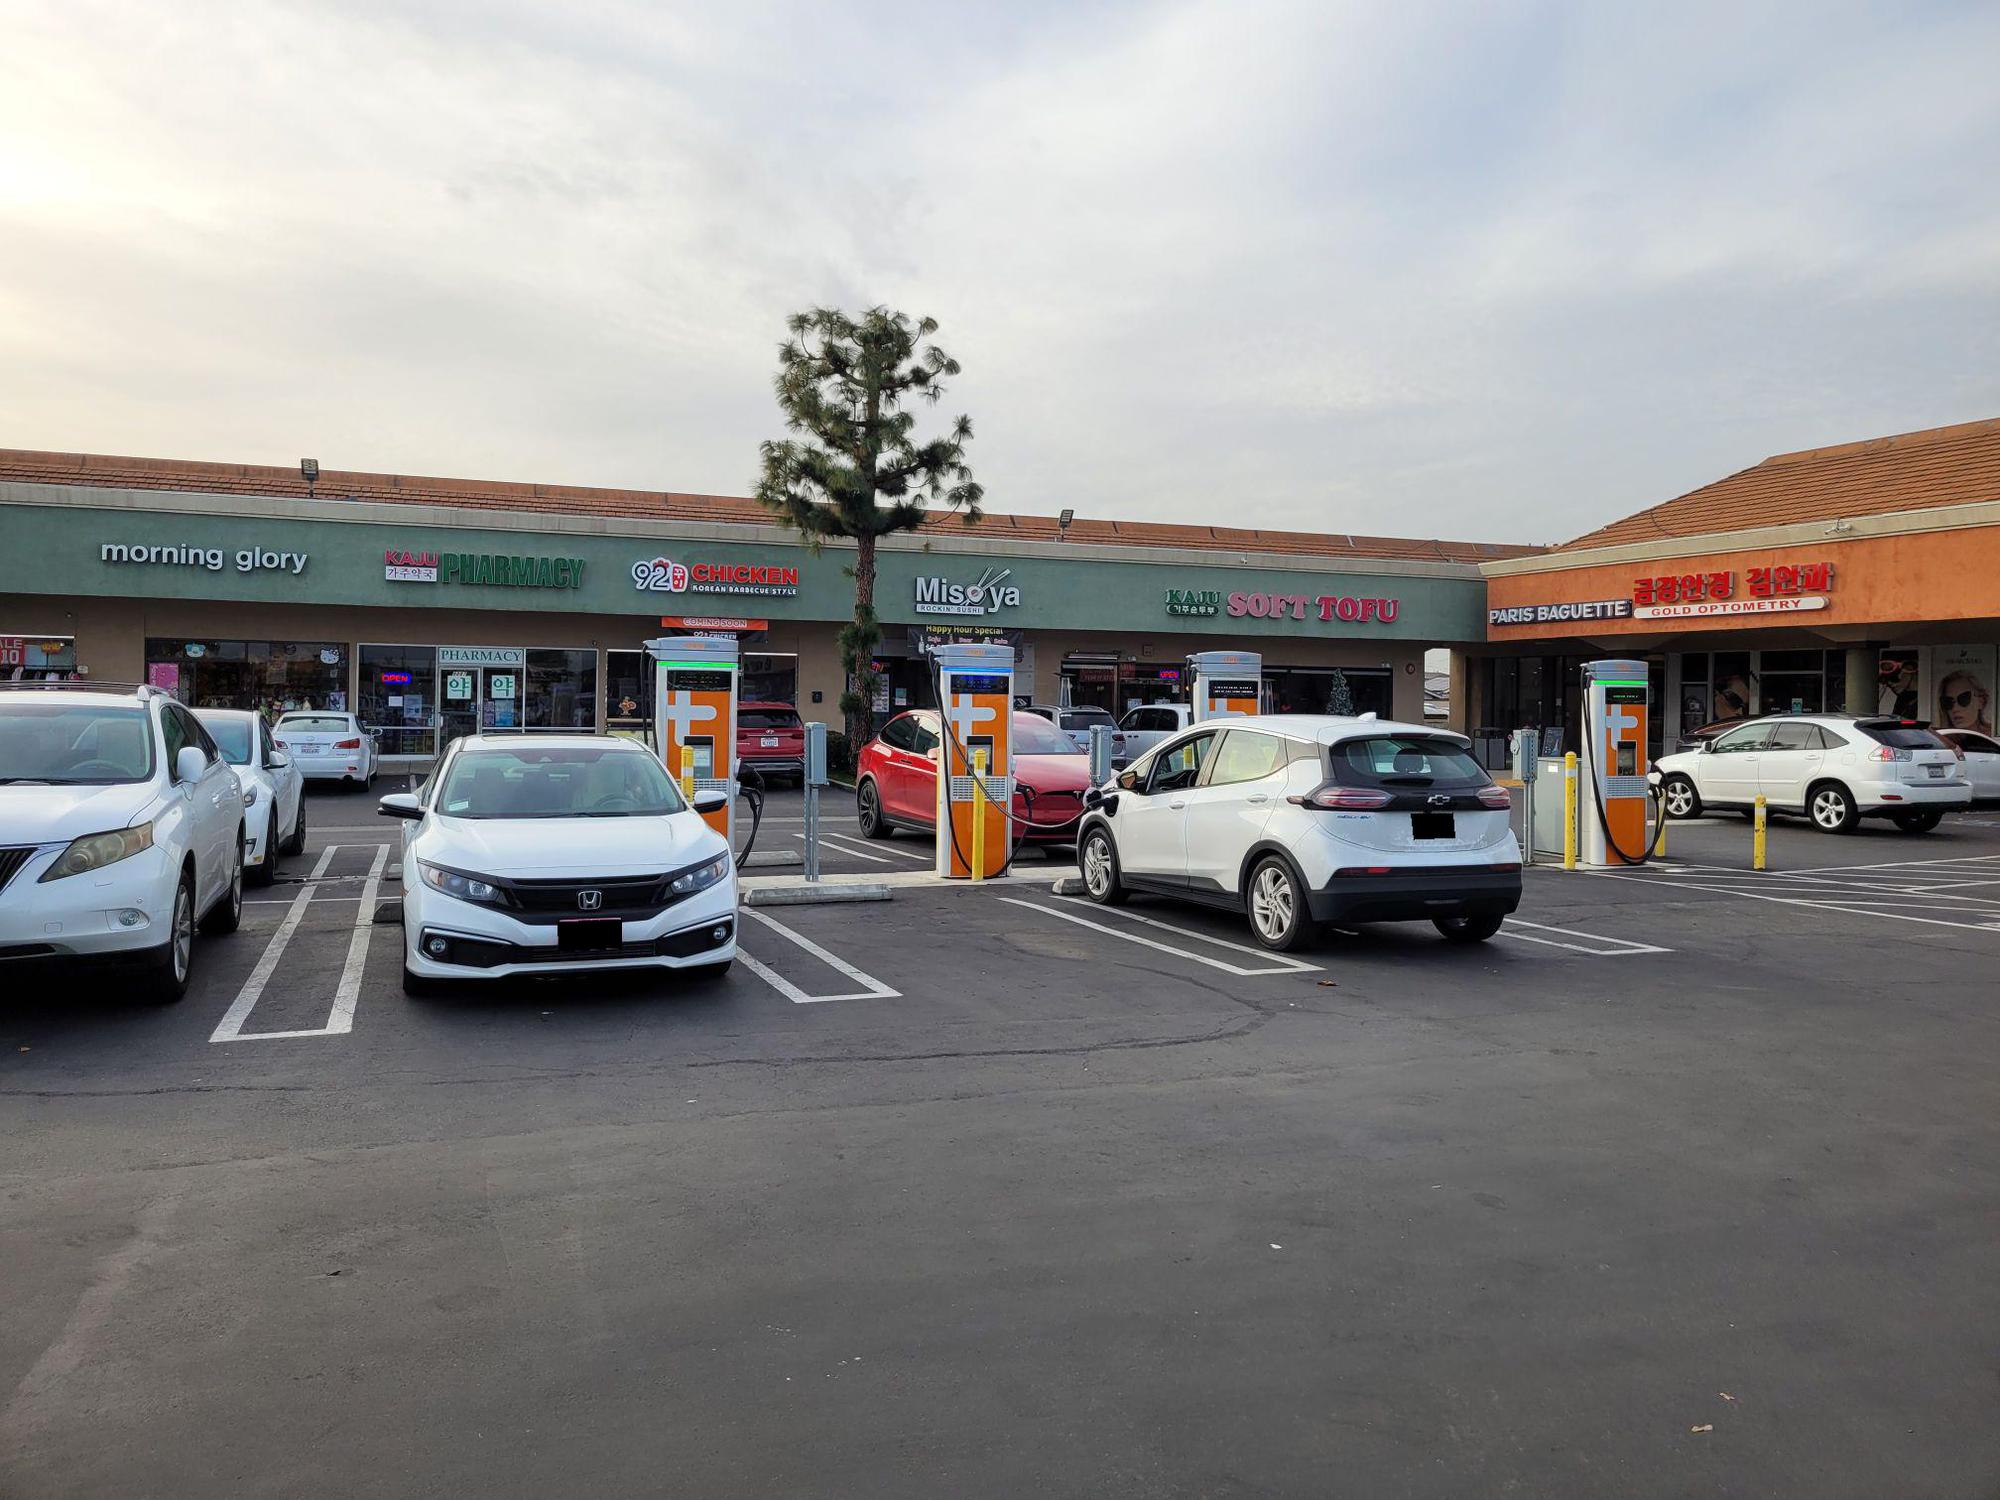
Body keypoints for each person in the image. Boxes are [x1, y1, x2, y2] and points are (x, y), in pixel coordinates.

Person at [1937, 670, 1994, 735]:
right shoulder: (1940, 739)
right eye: (1948, 702)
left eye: (1964, 699)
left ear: (1981, 702)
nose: (1955, 709)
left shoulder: (1994, 735)